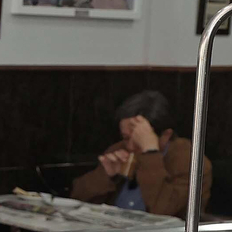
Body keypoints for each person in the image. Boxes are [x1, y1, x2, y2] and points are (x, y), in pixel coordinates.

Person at [70, 90, 210, 218]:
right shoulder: (121, 149)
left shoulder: (190, 161)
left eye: (139, 139)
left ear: (166, 135)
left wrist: (149, 152)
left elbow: (163, 210)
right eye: (125, 137)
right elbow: (75, 201)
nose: (130, 146)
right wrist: (105, 176)